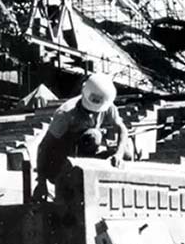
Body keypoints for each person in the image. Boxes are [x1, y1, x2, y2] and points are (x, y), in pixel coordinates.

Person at [32, 73, 129, 201]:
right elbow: (44, 147)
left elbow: (122, 128)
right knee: (94, 136)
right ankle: (78, 182)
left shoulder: (106, 104)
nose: (94, 112)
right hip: (60, 163)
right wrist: (41, 182)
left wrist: (119, 154)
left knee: (127, 153)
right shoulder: (65, 114)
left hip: (86, 154)